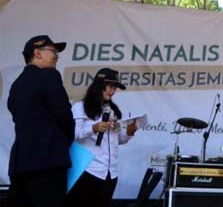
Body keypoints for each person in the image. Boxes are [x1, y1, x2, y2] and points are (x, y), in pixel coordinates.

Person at [7, 35, 75, 207]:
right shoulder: (49, 76)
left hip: (20, 164)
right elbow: (64, 115)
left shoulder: (16, 85)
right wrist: (64, 141)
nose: (57, 56)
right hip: (48, 162)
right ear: (37, 53)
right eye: (53, 51)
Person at [67, 68, 138, 207]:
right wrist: (93, 128)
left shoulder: (111, 110)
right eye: (110, 86)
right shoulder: (80, 107)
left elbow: (116, 140)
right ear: (99, 85)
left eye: (115, 88)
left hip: (110, 172)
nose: (112, 91)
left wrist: (129, 133)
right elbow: (72, 133)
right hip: (88, 169)